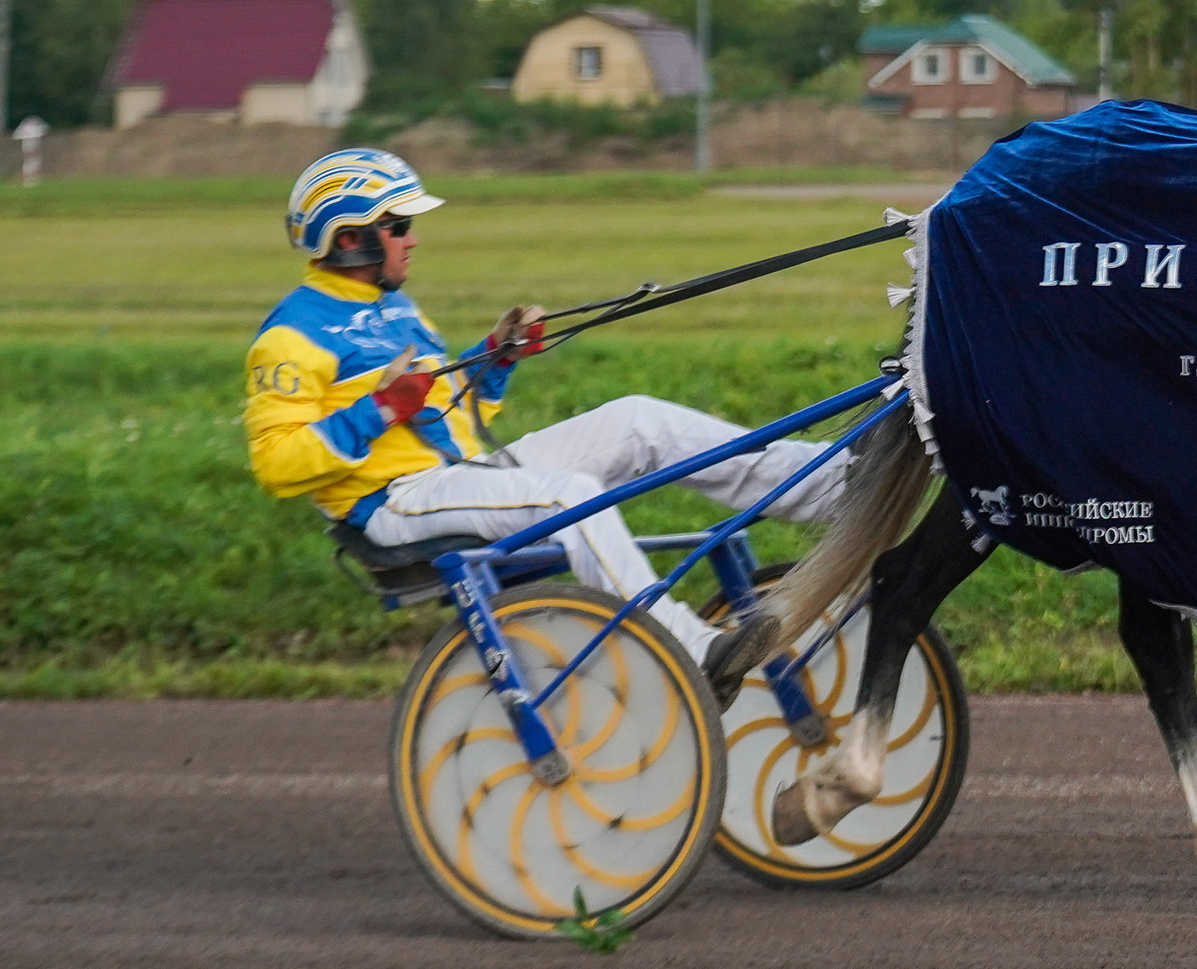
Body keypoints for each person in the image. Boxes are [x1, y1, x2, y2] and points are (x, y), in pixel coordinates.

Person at [245, 148, 844, 660]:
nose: (413, 238)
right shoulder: (291, 336)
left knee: (639, 419)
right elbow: (277, 465)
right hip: (392, 503)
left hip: (461, 474)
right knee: (568, 495)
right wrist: (380, 409)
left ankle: (832, 485)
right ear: (349, 238)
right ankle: (685, 646)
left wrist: (496, 356)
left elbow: (445, 413)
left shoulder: (395, 308)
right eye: (398, 225)